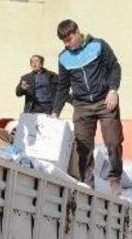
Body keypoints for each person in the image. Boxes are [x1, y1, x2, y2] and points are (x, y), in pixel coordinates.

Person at [51, 19, 124, 194]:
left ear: (77, 32)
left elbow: (114, 68)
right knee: (82, 145)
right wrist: (55, 112)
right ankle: (87, 183)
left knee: (113, 141)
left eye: (69, 40)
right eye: (64, 42)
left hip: (104, 100)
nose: (67, 45)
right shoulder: (64, 57)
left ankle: (114, 178)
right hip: (82, 104)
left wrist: (113, 90)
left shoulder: (98, 46)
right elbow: (62, 86)